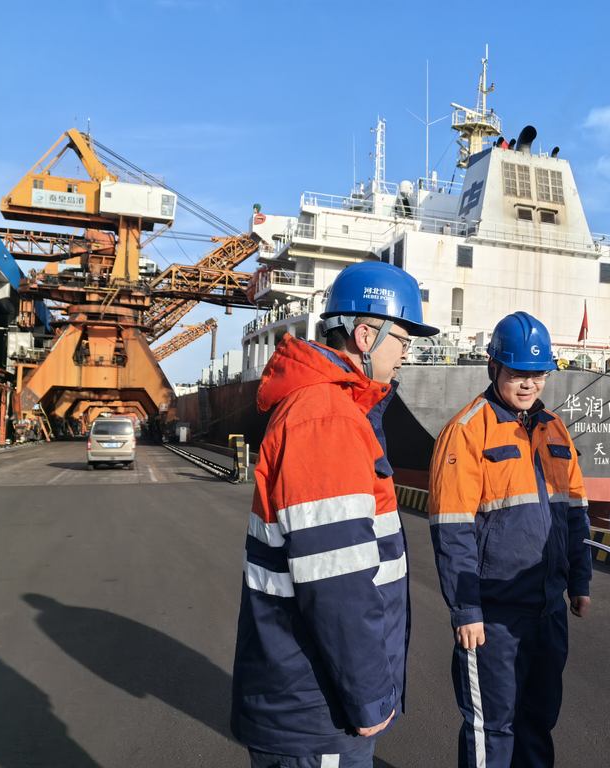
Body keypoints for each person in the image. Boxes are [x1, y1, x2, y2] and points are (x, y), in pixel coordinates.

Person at [231, 261, 439, 768]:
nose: (407, 352)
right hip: (317, 705)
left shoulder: (332, 409)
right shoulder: (326, 417)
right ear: (366, 336)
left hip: (309, 691)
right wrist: (368, 697)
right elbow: (336, 580)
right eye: (403, 339)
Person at [428, 311, 593, 768]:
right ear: (494, 367)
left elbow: (575, 513)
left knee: (538, 721)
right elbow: (452, 530)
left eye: (538, 374)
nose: (529, 384)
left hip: (548, 610)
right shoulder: (466, 431)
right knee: (492, 729)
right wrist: (466, 610)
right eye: (518, 373)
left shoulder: (555, 429)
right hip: (495, 616)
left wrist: (579, 582)